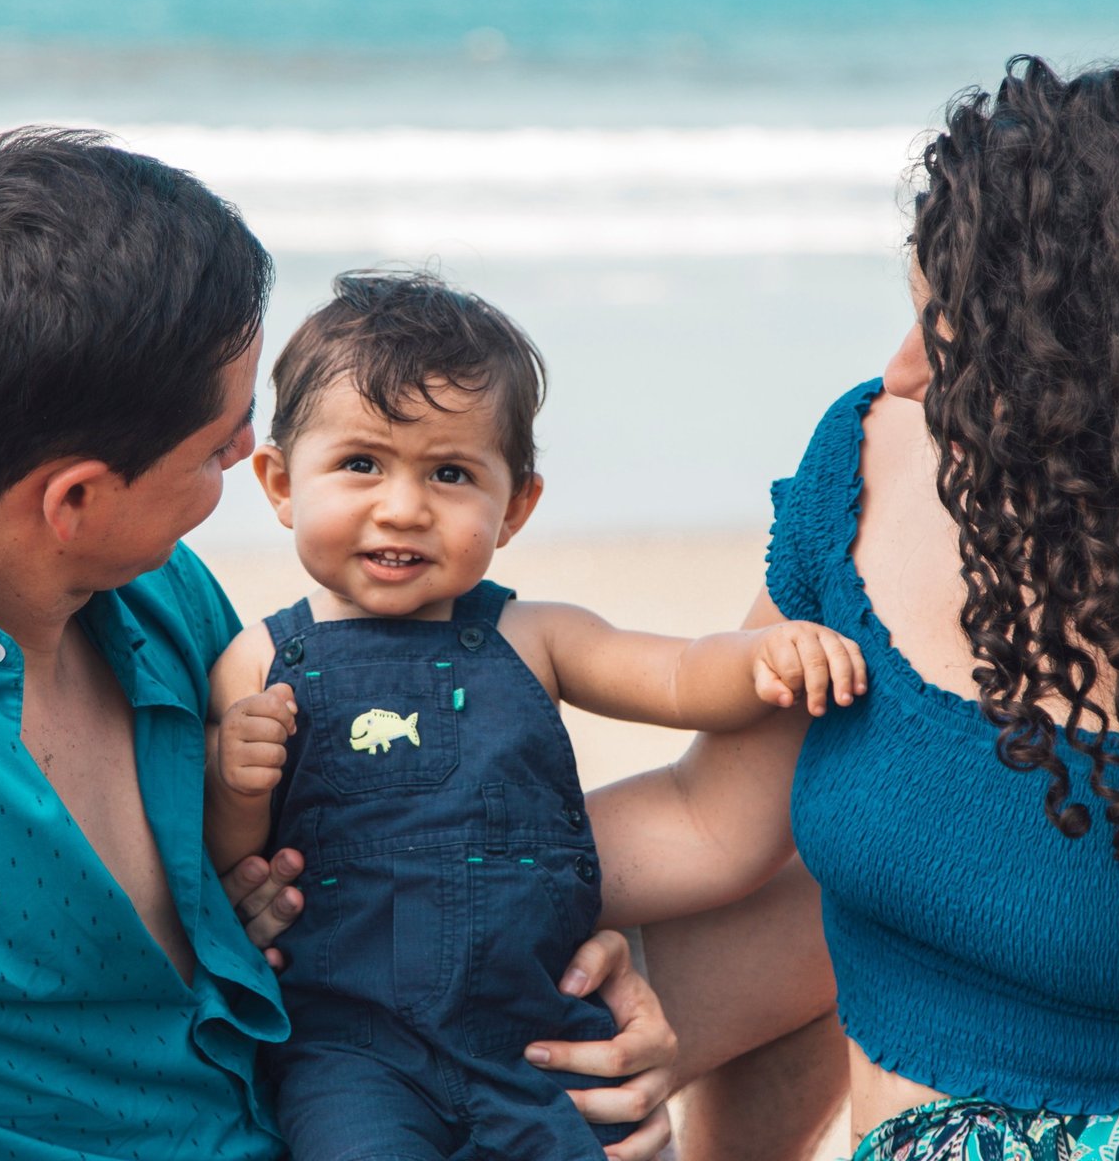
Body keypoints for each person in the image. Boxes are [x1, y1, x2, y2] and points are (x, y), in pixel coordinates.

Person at [0, 129, 676, 1160]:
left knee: (796, 889)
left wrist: (562, 958)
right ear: (76, 496)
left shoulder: (147, 587)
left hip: (365, 1095)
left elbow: (378, 821)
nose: (249, 453)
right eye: (219, 437)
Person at [592, 57, 1119, 1160]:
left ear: (1112, 394)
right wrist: (416, 840)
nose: (897, 375)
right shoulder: (863, 469)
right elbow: (711, 821)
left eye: (953, 342)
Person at [203, 272, 866, 1161]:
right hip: (351, 1055)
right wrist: (233, 778)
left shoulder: (535, 635)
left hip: (538, 1037)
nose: (402, 506)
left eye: (450, 473)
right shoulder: (259, 659)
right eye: (360, 464)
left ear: (514, 506)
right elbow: (234, 863)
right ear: (282, 484)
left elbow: (673, 675)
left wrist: (762, 662)